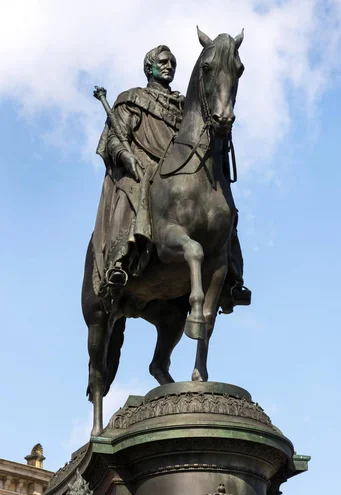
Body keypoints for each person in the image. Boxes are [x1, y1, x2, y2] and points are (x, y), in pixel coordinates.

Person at [92, 44, 250, 312]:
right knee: (136, 188)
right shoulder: (131, 99)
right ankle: (120, 260)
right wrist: (125, 156)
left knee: (223, 207)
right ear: (149, 67)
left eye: (172, 63)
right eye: (163, 62)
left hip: (179, 167)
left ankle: (231, 275)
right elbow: (114, 139)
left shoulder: (181, 105)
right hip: (144, 165)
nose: (168, 67)